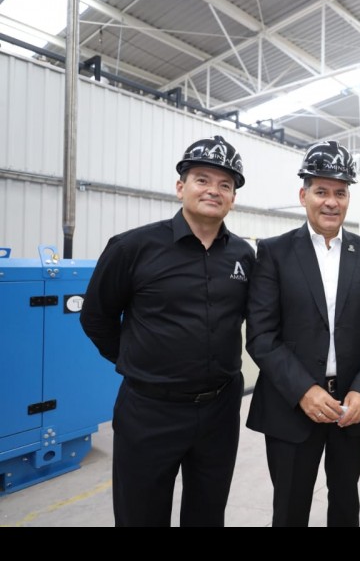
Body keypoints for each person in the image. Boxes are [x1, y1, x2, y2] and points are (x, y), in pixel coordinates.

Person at [79, 135, 254, 527]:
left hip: (220, 409)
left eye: (225, 184)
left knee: (208, 514)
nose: (213, 190)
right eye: (202, 179)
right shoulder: (132, 248)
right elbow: (95, 317)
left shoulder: (243, 255)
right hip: (150, 410)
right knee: (141, 515)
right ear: (180, 187)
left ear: (233, 198)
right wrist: (137, 361)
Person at [245, 140, 360, 527]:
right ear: (304, 196)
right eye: (321, 191)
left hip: (351, 406)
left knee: (345, 503)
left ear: (348, 198)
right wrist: (304, 391)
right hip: (291, 405)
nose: (331, 202)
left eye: (340, 193)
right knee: (290, 508)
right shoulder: (274, 253)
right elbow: (261, 335)